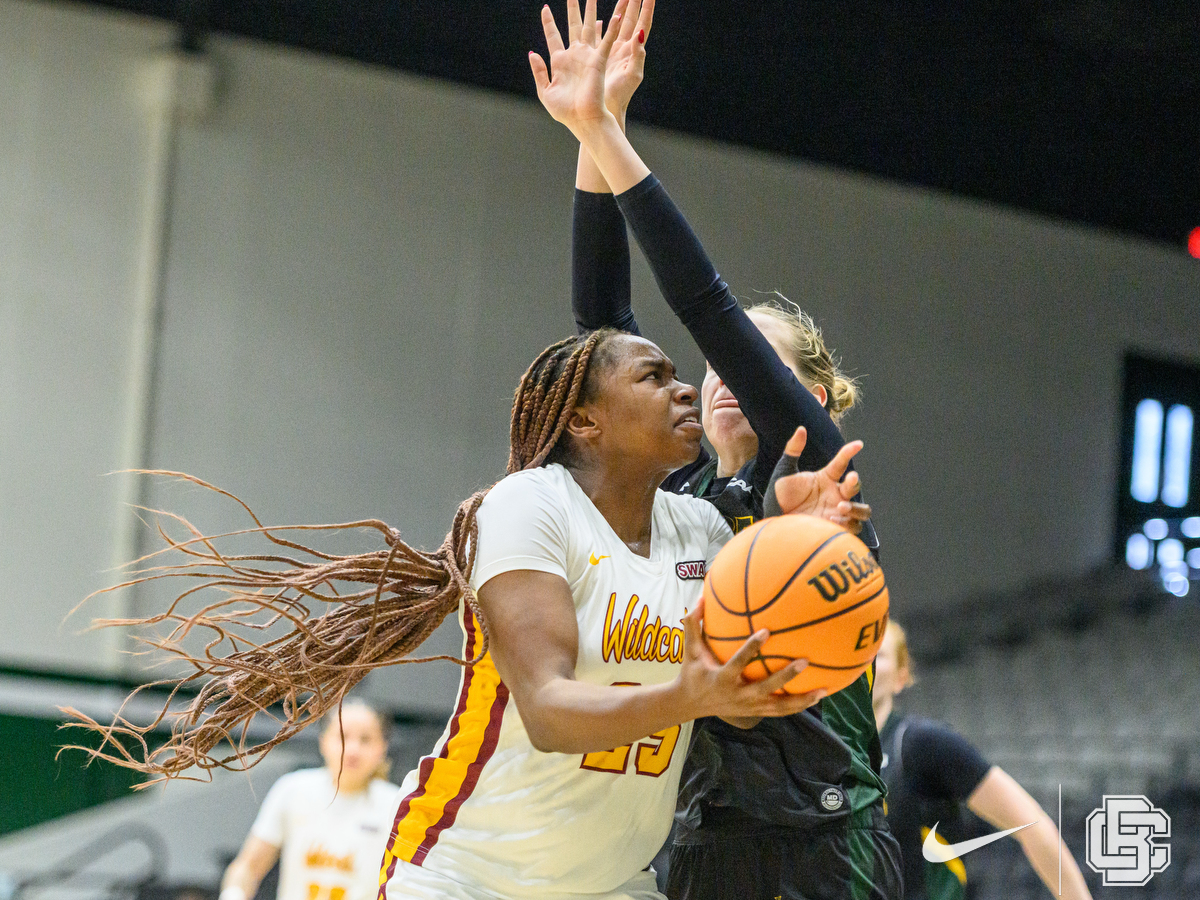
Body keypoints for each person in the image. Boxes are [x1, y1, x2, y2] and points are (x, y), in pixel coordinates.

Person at [539, 3, 900, 896]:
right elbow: (603, 331)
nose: (724, 374)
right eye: (716, 366)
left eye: (755, 361)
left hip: (828, 838)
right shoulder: (682, 491)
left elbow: (706, 304)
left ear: (807, 397)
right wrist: (595, 126)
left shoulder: (823, 471)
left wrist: (607, 134)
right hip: (702, 836)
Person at [873, 621, 1094, 900]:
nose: (867, 663)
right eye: (860, 653)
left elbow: (1032, 824)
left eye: (879, 655)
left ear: (900, 676)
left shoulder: (922, 742)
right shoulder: (831, 755)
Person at [219, 701, 401, 900]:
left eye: (365, 740)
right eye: (343, 736)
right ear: (323, 741)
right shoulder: (293, 790)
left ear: (383, 747)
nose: (353, 749)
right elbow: (248, 866)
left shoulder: (397, 805)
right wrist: (233, 894)